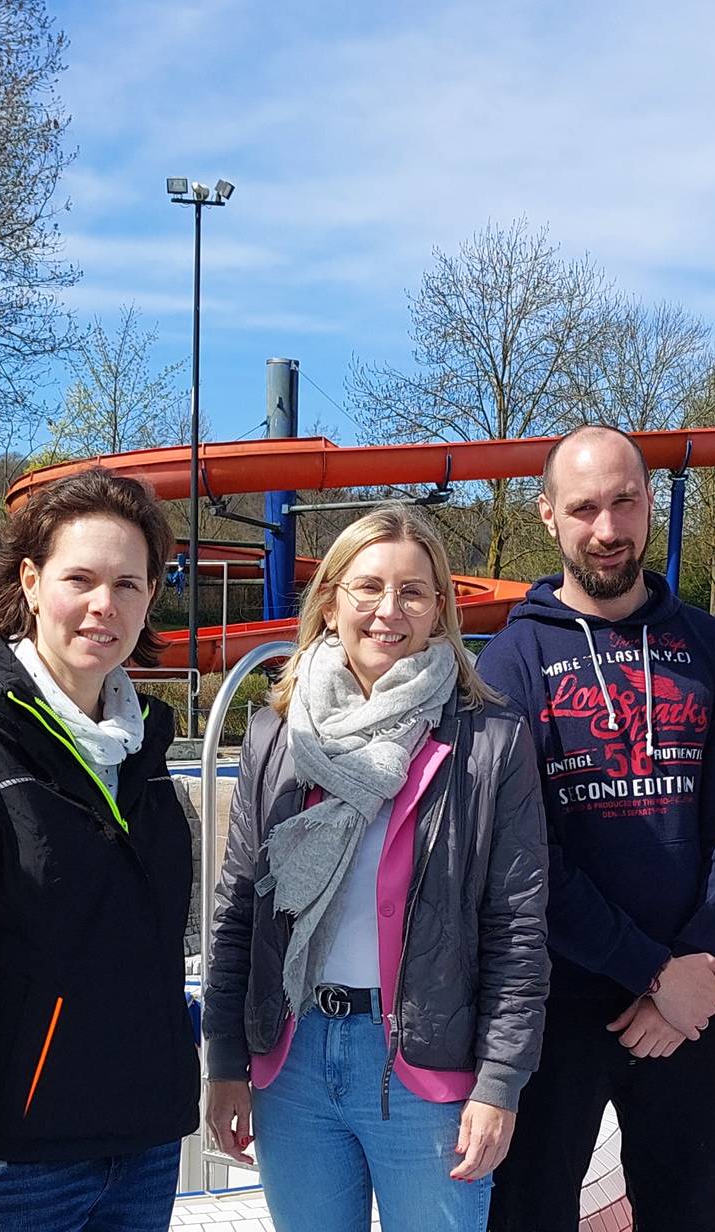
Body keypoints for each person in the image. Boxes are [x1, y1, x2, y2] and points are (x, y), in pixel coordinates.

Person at [201, 505, 550, 1232]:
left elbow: (516, 931)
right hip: (292, 1059)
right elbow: (240, 910)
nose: (389, 610)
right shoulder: (277, 737)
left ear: (439, 612)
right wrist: (225, 1062)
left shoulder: (490, 742)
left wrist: (499, 1086)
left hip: (423, 1069)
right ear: (331, 601)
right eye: (368, 588)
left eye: (414, 592)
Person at [0, 467, 198, 1232]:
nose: (104, 606)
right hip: (21, 1163)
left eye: (129, 583)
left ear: (153, 594)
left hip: (145, 1143)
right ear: (30, 580)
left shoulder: (143, 749)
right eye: (80, 578)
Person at [480, 425, 715, 1232]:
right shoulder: (512, 662)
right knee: (528, 1214)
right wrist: (650, 972)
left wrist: (695, 973)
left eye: (624, 501)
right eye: (584, 509)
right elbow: (524, 855)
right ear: (547, 517)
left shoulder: (709, 646)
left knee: (695, 1213)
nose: (607, 529)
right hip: (554, 1003)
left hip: (692, 997)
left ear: (649, 503)